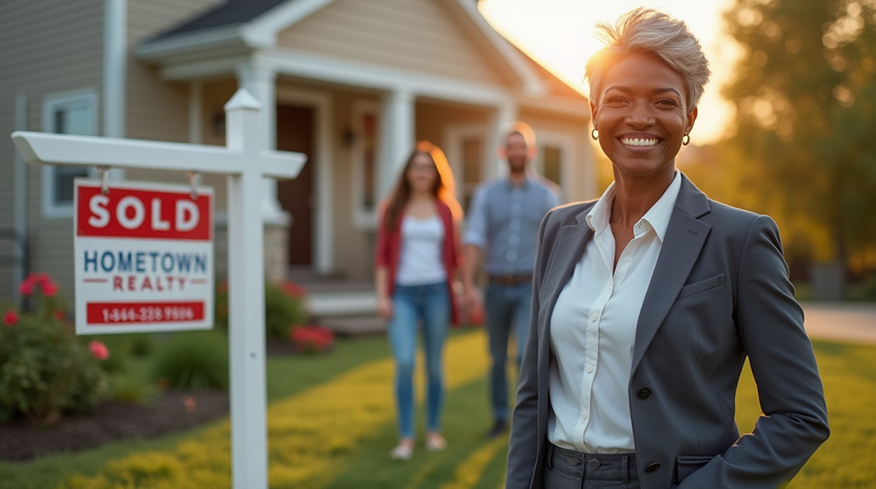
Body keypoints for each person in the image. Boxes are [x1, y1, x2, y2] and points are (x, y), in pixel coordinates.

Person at [506, 9, 829, 489]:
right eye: (619, 99)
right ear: (594, 113)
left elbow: (801, 417)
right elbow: (533, 397)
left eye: (664, 101)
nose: (640, 117)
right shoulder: (557, 229)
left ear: (689, 118)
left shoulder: (739, 241)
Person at [462, 122, 561, 438]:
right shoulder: (486, 194)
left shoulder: (549, 194)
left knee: (523, 356)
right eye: (511, 147)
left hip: (529, 288)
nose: (517, 152)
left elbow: (557, 244)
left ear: (531, 152)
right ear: (503, 153)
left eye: (523, 146)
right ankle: (499, 417)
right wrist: (468, 284)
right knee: (496, 358)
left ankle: (527, 418)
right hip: (494, 288)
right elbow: (475, 238)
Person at [374, 141, 463, 461]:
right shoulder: (392, 209)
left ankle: (433, 430)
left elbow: (457, 256)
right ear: (408, 173)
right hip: (403, 294)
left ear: (435, 174)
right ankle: (407, 436)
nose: (422, 173)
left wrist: (463, 289)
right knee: (405, 363)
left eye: (427, 168)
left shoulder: (447, 209)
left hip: (438, 291)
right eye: (416, 167)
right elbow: (382, 257)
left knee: (435, 367)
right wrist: (382, 296)